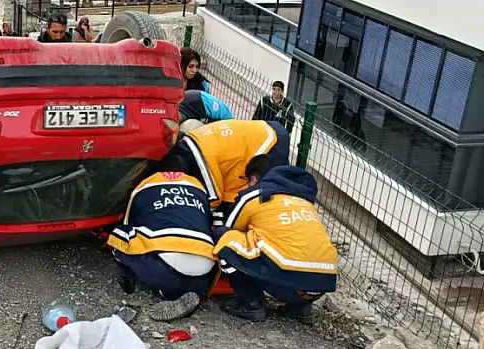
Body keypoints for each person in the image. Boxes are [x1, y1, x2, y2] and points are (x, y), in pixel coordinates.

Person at [213, 155, 338, 324]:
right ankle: (300, 308)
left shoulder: (255, 195)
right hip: (322, 282)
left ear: (254, 178)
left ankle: (251, 304)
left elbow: (230, 227)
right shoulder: (303, 201)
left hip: (285, 282)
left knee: (223, 237)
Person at [109, 154, 217, 321]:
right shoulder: (198, 187)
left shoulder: (144, 185)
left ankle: (166, 290)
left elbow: (128, 223)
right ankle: (175, 292)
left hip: (164, 271)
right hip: (205, 275)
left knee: (120, 237)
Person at [174, 119, 291, 210]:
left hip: (270, 143)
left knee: (269, 198)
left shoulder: (200, 154)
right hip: (263, 132)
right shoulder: (192, 138)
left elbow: (213, 199)